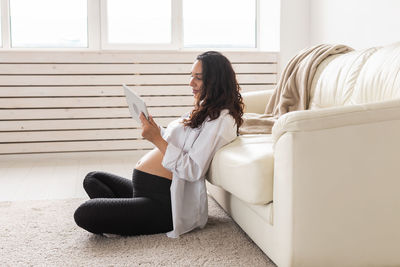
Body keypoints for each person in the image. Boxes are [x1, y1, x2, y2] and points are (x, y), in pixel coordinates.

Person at [74, 51, 244, 238]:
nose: (191, 83)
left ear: (215, 81)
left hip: (165, 203)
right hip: (145, 191)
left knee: (85, 213)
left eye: (198, 78)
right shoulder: (204, 110)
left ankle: (130, 218)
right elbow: (177, 143)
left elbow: (193, 169)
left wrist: (156, 139)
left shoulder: (222, 121)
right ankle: (127, 218)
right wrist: (156, 129)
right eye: (191, 76)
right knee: (93, 179)